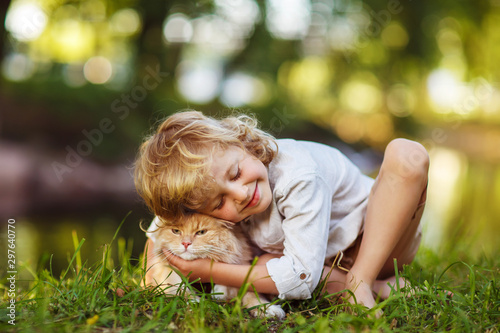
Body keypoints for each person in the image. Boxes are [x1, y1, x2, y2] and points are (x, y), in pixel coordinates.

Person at [134, 110, 429, 310]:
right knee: (266, 260)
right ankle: (380, 286)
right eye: (218, 203)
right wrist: (152, 274)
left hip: (378, 240)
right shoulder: (208, 187)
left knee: (406, 155)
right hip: (321, 259)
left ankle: (363, 280)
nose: (240, 194)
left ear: (242, 143)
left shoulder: (297, 175)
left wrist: (211, 271)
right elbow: (165, 221)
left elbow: (301, 277)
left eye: (236, 173)